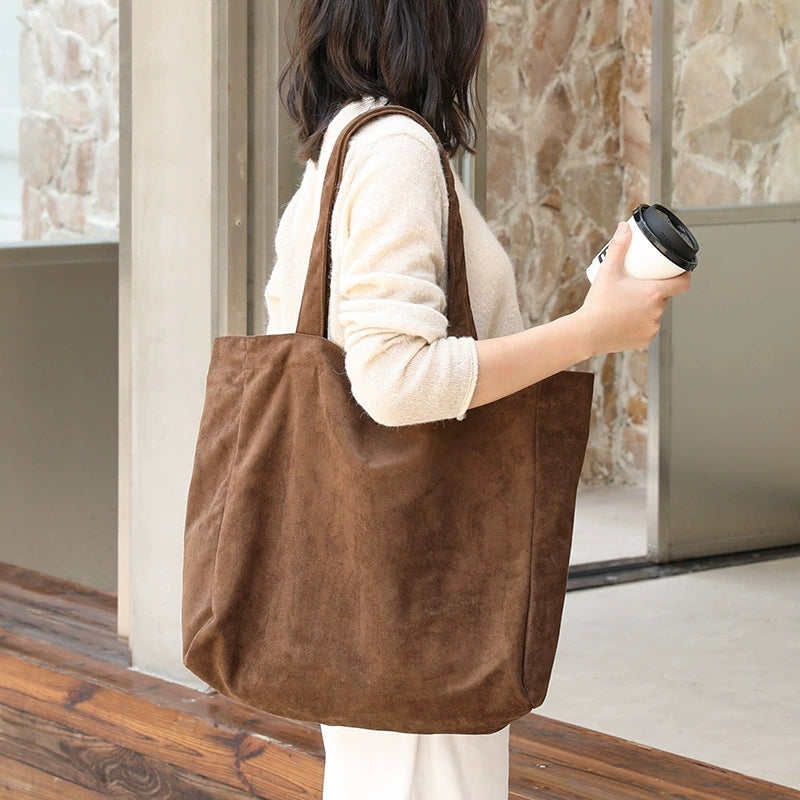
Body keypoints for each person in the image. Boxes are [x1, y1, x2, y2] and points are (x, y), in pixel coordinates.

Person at [265, 1, 691, 798]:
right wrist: (589, 331)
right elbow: (394, 380)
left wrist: (590, 321)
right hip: (419, 581)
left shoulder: (347, 140)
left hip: (368, 574)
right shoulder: (395, 151)